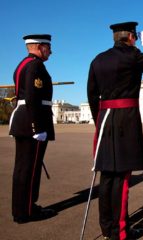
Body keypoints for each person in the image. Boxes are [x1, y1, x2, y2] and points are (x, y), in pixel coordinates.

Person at [87, 22, 143, 240]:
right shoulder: (132, 56)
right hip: (126, 119)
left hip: (104, 118)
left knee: (107, 175)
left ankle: (107, 227)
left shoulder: (98, 59)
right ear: (132, 37)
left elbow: (91, 93)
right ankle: (120, 232)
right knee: (122, 176)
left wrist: (99, 119)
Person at [9, 34, 56, 223]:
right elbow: (33, 97)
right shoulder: (36, 66)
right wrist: (37, 127)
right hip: (33, 122)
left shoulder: (23, 64)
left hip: (23, 121)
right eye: (48, 48)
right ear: (38, 46)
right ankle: (27, 211)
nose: (50, 51)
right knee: (30, 169)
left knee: (22, 168)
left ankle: (21, 209)